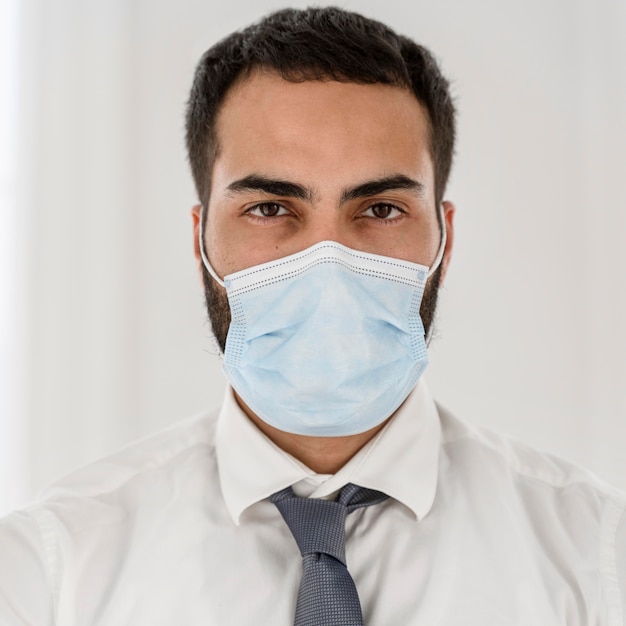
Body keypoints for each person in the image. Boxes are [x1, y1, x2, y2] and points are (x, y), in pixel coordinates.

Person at [0, 6, 624, 625]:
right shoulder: (50, 573)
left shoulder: (595, 562)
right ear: (200, 242)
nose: (328, 264)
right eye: (270, 208)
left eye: (380, 210)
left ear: (445, 239)